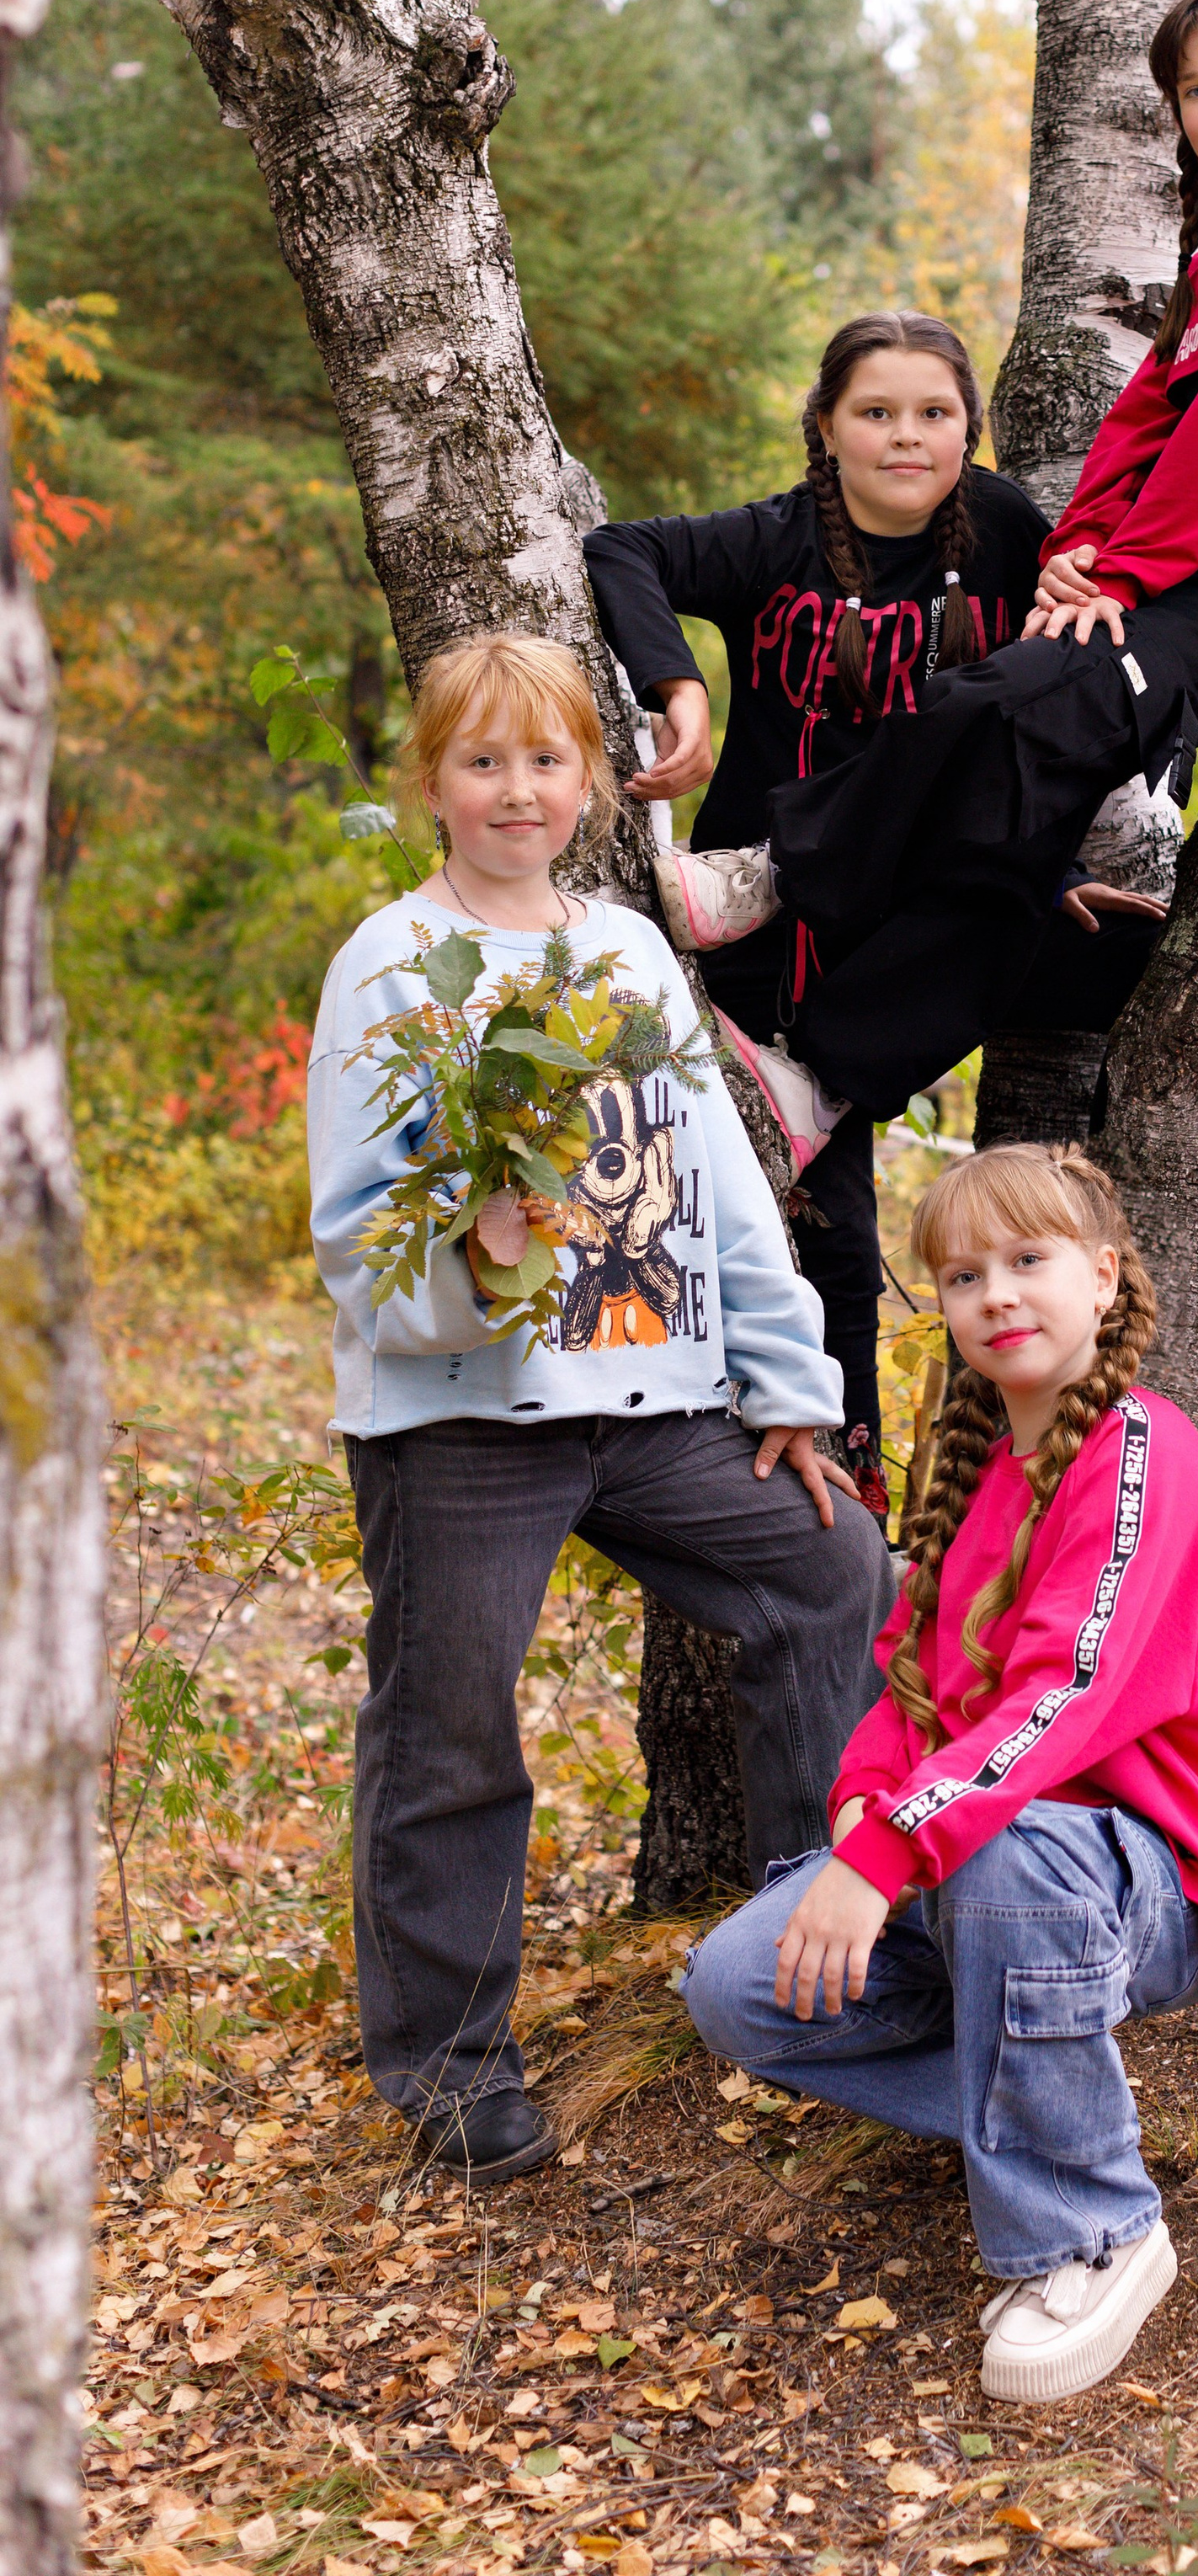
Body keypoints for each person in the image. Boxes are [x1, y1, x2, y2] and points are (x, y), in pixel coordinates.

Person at [309, 631, 893, 2184]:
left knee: (829, 1568)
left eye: (547, 759)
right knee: (450, 1720)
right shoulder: (389, 959)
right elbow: (358, 1231)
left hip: (650, 1404)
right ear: (434, 778)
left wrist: (785, 1381)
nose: (517, 789)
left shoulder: (630, 949)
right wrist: (473, 1245)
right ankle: (448, 2063)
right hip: (462, 1422)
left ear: (593, 779)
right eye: (483, 760)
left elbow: (718, 1183)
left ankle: (808, 1947)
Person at [737, 0, 1198, 1133]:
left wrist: (1125, 571)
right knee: (1006, 837)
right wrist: (1087, 540)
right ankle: (825, 1087)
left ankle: (776, 871)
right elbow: (1146, 419)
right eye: (1193, 89)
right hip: (1167, 556)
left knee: (1002, 697)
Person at [677, 1144, 1198, 2404]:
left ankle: (1094, 2227)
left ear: (1105, 1277)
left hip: (1149, 1881)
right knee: (741, 1988)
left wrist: (887, 1852)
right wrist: (859, 1813)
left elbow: (1061, 1698)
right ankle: (1050, 2114)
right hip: (981, 1866)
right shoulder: (970, 1481)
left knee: (1010, 1846)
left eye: (1029, 1260)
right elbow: (905, 1688)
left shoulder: (1140, 1457)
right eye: (963, 1277)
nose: (997, 1295)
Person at [583, 312, 1170, 1509]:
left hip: (924, 916)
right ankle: (839, 1479)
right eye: (877, 413)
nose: (907, 437)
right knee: (830, 1222)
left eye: (934, 414)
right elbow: (620, 548)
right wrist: (680, 691)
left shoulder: (1011, 536)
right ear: (828, 427)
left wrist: (1050, 877)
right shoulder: (780, 537)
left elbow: (1048, 729)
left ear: (969, 430)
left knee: (1132, 950)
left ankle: (838, 1081)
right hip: (763, 929)